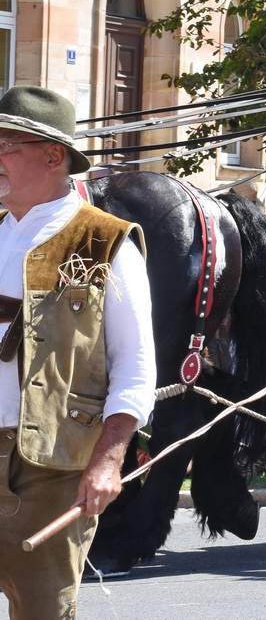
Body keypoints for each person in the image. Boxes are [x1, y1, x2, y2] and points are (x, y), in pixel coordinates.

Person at [0, 87, 154, 618]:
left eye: (5, 146)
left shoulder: (104, 242)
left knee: (42, 611)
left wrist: (108, 462)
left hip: (53, 465)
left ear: (53, 156)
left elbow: (135, 365)